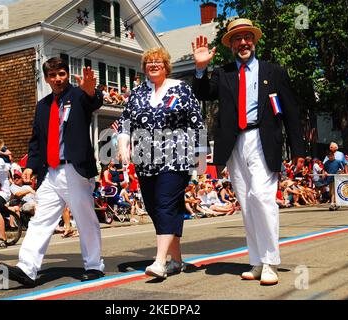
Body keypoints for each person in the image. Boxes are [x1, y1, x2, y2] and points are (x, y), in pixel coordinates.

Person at [192, 18, 305, 285]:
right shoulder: (223, 73)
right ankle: (256, 261)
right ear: (230, 44)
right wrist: (199, 69)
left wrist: (299, 148)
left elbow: (290, 112)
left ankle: (270, 262)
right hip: (234, 143)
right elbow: (204, 93)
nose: (243, 42)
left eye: (247, 37)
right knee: (246, 203)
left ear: (254, 41)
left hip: (263, 138)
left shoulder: (274, 71)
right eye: (237, 38)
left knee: (263, 199)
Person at [0, 57, 105, 287]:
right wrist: (30, 167)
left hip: (75, 169)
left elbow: (93, 102)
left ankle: (94, 265)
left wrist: (90, 91)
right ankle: (27, 269)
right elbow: (37, 141)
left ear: (67, 74)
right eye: (53, 75)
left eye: (62, 74)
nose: (58, 79)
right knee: (40, 220)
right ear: (46, 78)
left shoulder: (78, 95)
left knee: (85, 219)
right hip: (51, 171)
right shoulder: (43, 106)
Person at [117, 47, 205, 279]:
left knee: (165, 203)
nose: (153, 65)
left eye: (158, 61)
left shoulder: (181, 89)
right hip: (145, 159)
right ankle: (176, 260)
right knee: (157, 208)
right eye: (149, 62)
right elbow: (125, 122)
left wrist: (201, 159)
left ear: (166, 66)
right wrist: (122, 145)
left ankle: (160, 262)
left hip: (176, 157)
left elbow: (197, 123)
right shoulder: (137, 93)